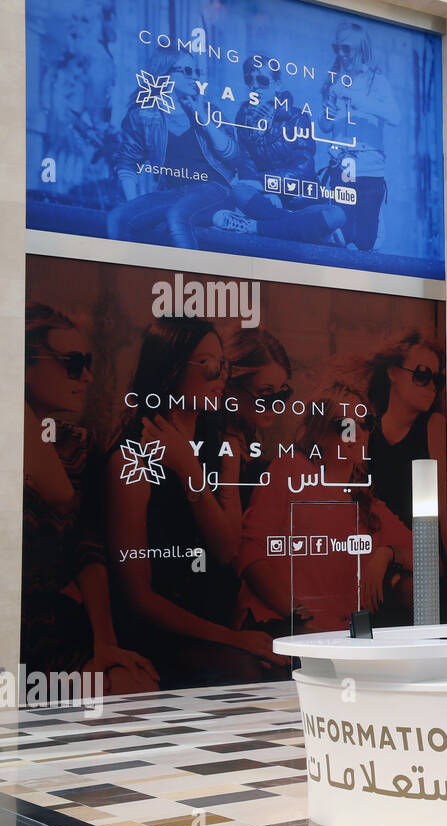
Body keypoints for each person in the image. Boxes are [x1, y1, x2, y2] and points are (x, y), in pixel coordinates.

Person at [105, 316, 275, 688]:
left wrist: (188, 467)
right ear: (170, 368)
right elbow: (139, 596)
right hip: (165, 631)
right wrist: (231, 638)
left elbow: (228, 549)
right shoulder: (131, 458)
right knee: (242, 672)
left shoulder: (222, 444)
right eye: (209, 365)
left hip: (217, 619)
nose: (221, 377)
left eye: (224, 365)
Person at [23, 305, 157, 693]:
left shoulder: (74, 443)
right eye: (72, 363)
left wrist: (105, 642)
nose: (87, 376)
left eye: (87, 362)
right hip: (15, 628)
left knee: (134, 683)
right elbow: (58, 493)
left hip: (53, 628)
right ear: (22, 362)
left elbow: (87, 545)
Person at [237, 382, 411, 637]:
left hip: (341, 634)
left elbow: (428, 558)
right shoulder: (291, 469)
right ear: (320, 433)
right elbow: (250, 553)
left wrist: (387, 554)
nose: (359, 434)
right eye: (346, 426)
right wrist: (299, 617)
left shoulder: (366, 503)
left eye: (365, 423)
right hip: (281, 623)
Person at [107, 50, 240, 249]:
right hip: (174, 193)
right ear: (165, 74)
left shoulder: (209, 111)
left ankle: (188, 278)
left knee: (177, 216)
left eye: (196, 71)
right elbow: (128, 162)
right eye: (187, 70)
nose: (195, 76)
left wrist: (203, 119)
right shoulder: (143, 115)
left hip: (216, 189)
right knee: (118, 217)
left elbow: (234, 158)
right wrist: (134, 205)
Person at [211, 56, 346, 244]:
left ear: (277, 85)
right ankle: (305, 229)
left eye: (263, 80)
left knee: (337, 215)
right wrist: (267, 193)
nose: (254, 86)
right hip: (266, 202)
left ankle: (252, 227)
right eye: (249, 79)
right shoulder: (243, 117)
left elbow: (303, 170)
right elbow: (246, 164)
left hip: (301, 200)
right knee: (239, 191)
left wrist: (266, 184)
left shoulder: (297, 117)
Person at [362, 331, 447, 623]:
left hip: (423, 563)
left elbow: (444, 524)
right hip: (372, 558)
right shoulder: (367, 434)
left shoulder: (434, 428)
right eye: (422, 375)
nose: (432, 387)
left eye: (438, 379)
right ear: (394, 373)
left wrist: (391, 554)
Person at [317, 23, 399, 251]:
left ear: (361, 50)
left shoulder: (376, 81)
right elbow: (324, 126)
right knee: (344, 233)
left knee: (366, 240)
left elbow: (395, 116)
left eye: (346, 48)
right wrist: (328, 115)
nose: (341, 54)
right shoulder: (333, 80)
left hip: (371, 166)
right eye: (337, 48)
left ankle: (375, 222)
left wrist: (358, 100)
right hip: (344, 164)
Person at [221, 329, 294, 509]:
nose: (277, 406)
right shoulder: (221, 446)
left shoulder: (247, 436)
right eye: (265, 394)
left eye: (283, 393)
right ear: (231, 388)